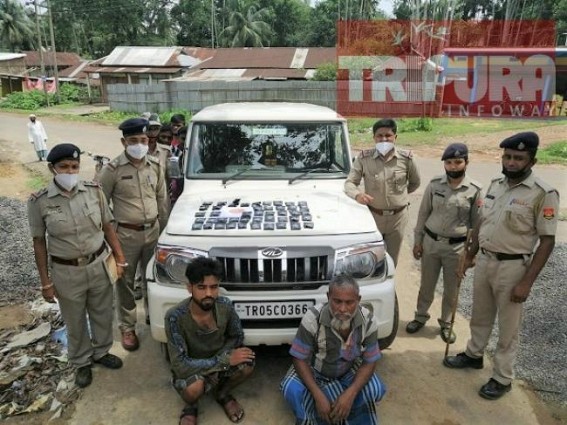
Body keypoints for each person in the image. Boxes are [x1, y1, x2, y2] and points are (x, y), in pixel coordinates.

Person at [443, 132, 559, 400]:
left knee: (508, 327)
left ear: (532, 160)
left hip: (513, 266)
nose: (511, 162)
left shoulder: (542, 193)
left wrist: (526, 282)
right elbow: (482, 222)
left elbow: (547, 241)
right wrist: (470, 254)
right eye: (507, 156)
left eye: (518, 158)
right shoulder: (495, 185)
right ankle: (474, 355)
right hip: (485, 260)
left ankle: (502, 377)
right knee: (480, 315)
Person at [27, 143, 126, 388]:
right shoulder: (39, 201)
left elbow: (108, 227)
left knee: (103, 312)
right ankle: (82, 362)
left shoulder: (94, 191)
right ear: (52, 168)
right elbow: (39, 242)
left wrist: (120, 258)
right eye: (64, 167)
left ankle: (102, 352)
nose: (70, 171)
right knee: (74, 319)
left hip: (98, 263)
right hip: (66, 271)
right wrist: (45, 282)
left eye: (74, 166)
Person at [97, 118, 169, 351]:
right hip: (126, 235)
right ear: (123, 141)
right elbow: (100, 204)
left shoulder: (156, 165)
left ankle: (152, 316)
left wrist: (166, 231)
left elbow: (162, 199)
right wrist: (109, 235)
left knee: (153, 278)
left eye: (143, 140)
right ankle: (127, 327)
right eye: (133, 140)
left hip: (154, 232)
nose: (139, 144)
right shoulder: (112, 170)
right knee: (125, 283)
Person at [281, 274, 386, 425]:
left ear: (358, 300)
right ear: (328, 297)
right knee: (291, 390)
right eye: (337, 301)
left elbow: (370, 361)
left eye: (349, 302)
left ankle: (339, 407)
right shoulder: (312, 318)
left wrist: (350, 393)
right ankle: (332, 408)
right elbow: (299, 358)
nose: (343, 309)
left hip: (348, 368)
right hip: (315, 369)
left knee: (374, 389)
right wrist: (318, 395)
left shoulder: (368, 321)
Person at [406, 143, 482, 344]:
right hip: (431, 243)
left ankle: (446, 324)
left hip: (457, 248)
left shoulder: (474, 191)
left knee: (452, 289)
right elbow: (423, 214)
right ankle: (420, 316)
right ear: (444, 165)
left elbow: (477, 225)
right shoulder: (434, 185)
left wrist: (471, 254)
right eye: (449, 162)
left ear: (466, 162)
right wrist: (418, 241)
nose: (453, 166)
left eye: (458, 162)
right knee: (427, 285)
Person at [165, 257, 255, 425]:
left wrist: (224, 359)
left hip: (219, 359)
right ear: (189, 287)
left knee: (248, 363)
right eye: (201, 287)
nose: (208, 293)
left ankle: (222, 393)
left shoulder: (225, 306)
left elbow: (237, 336)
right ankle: (191, 406)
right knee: (193, 388)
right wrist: (224, 361)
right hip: (193, 367)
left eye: (213, 287)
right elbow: (179, 365)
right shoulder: (175, 317)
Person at [344, 118, 421, 266]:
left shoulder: (406, 159)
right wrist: (358, 195)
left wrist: (399, 196)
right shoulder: (364, 158)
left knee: (392, 259)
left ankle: (389, 286)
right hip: (373, 216)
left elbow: (415, 183)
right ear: (374, 137)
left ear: (395, 137)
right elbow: (349, 183)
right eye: (379, 136)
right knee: (371, 257)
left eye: (388, 135)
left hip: (397, 218)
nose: (384, 139)